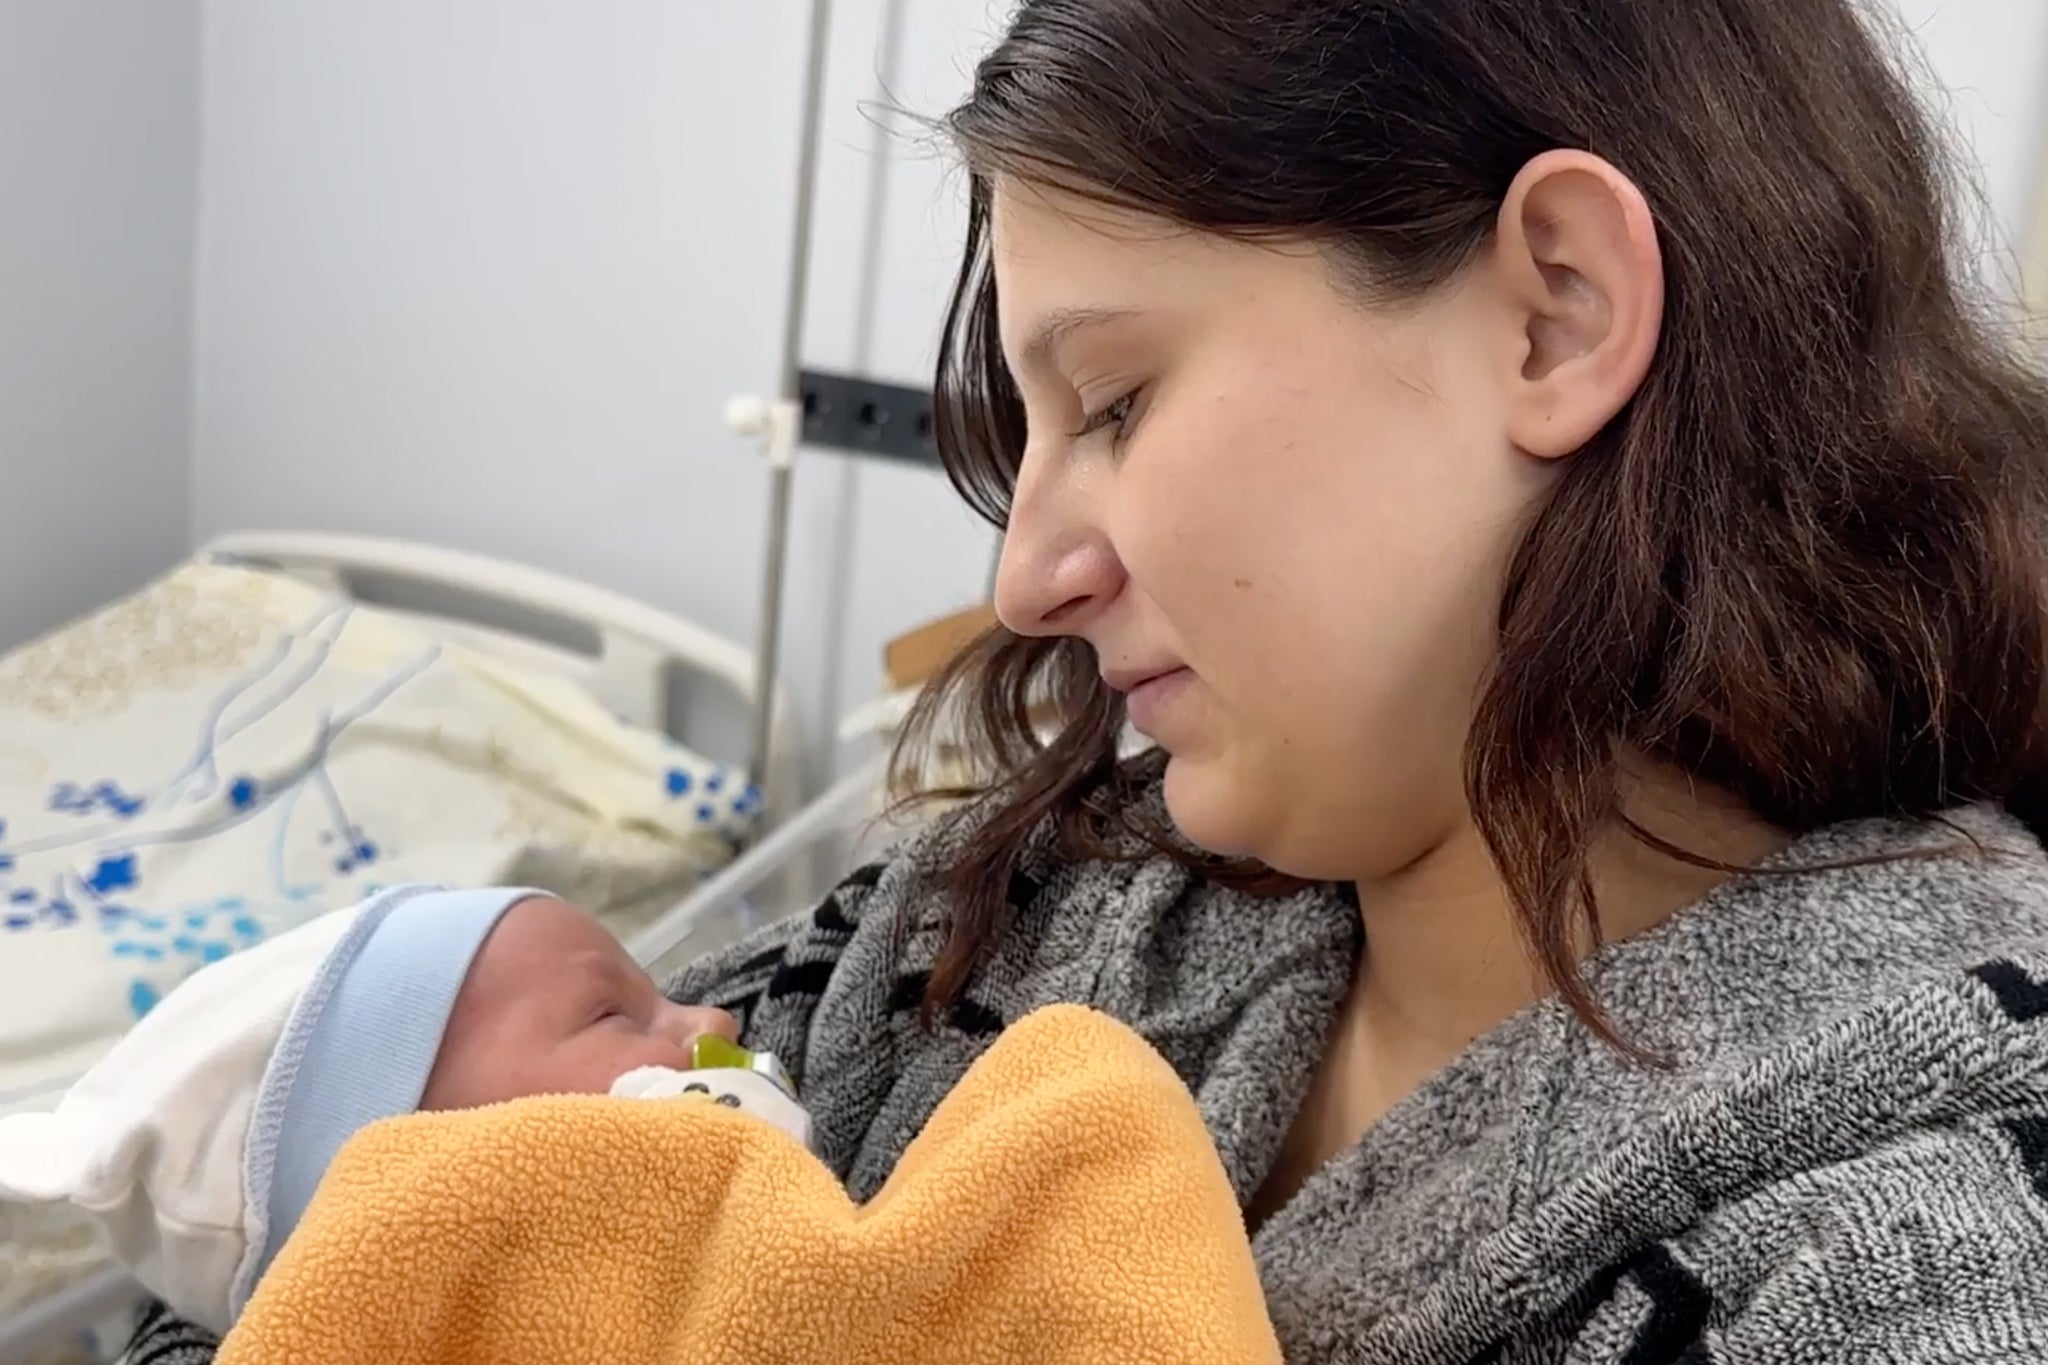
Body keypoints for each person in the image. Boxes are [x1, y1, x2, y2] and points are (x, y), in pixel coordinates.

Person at [130, 0, 2048, 1360]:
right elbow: (332, 1229)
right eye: (1034, 427)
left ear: (1554, 305)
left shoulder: (1917, 1257)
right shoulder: (1031, 906)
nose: (1028, 575)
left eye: (1117, 398)